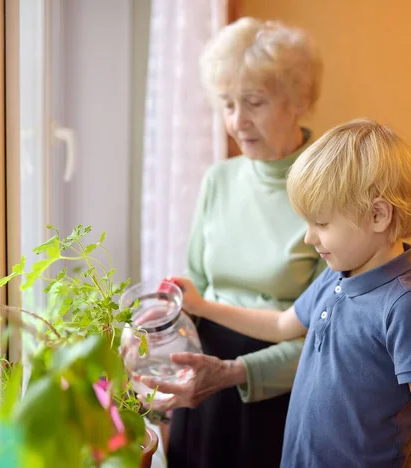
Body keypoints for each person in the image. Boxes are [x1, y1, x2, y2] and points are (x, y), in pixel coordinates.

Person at [151, 119, 411, 467]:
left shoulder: (407, 308)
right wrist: (202, 306)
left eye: (321, 224)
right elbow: (282, 325)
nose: (309, 238)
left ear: (378, 215)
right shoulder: (337, 275)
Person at [144, 17, 325, 468]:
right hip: (203, 384)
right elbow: (192, 293)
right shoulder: (218, 180)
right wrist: (158, 330)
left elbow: (328, 338)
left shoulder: (331, 189)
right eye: (227, 104)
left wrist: (235, 374)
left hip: (279, 390)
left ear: (299, 100)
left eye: (254, 103)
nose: (236, 121)